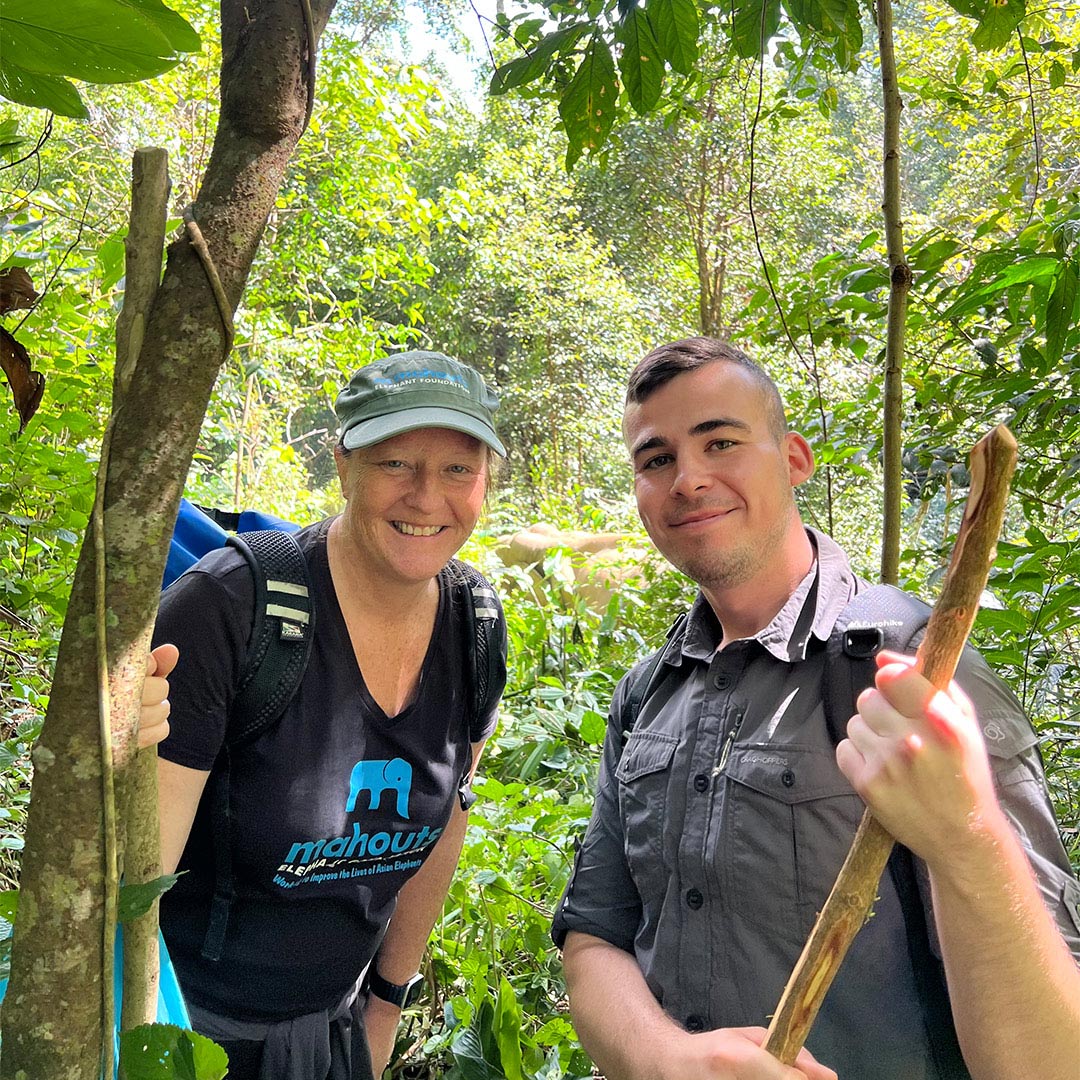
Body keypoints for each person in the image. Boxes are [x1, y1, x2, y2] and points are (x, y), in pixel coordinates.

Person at [551, 337, 1080, 1080]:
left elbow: (1055, 1055)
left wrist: (968, 835)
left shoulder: (915, 669)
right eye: (656, 458)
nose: (688, 479)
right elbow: (594, 933)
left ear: (794, 459)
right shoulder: (648, 690)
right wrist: (668, 1059)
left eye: (721, 442)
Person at [142, 351, 508, 1079]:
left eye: (457, 471)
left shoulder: (476, 624)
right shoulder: (232, 609)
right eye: (396, 463)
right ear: (343, 464)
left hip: (334, 1035)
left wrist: (385, 1005)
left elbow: (448, 819)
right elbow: (136, 885)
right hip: (189, 1035)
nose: (427, 497)